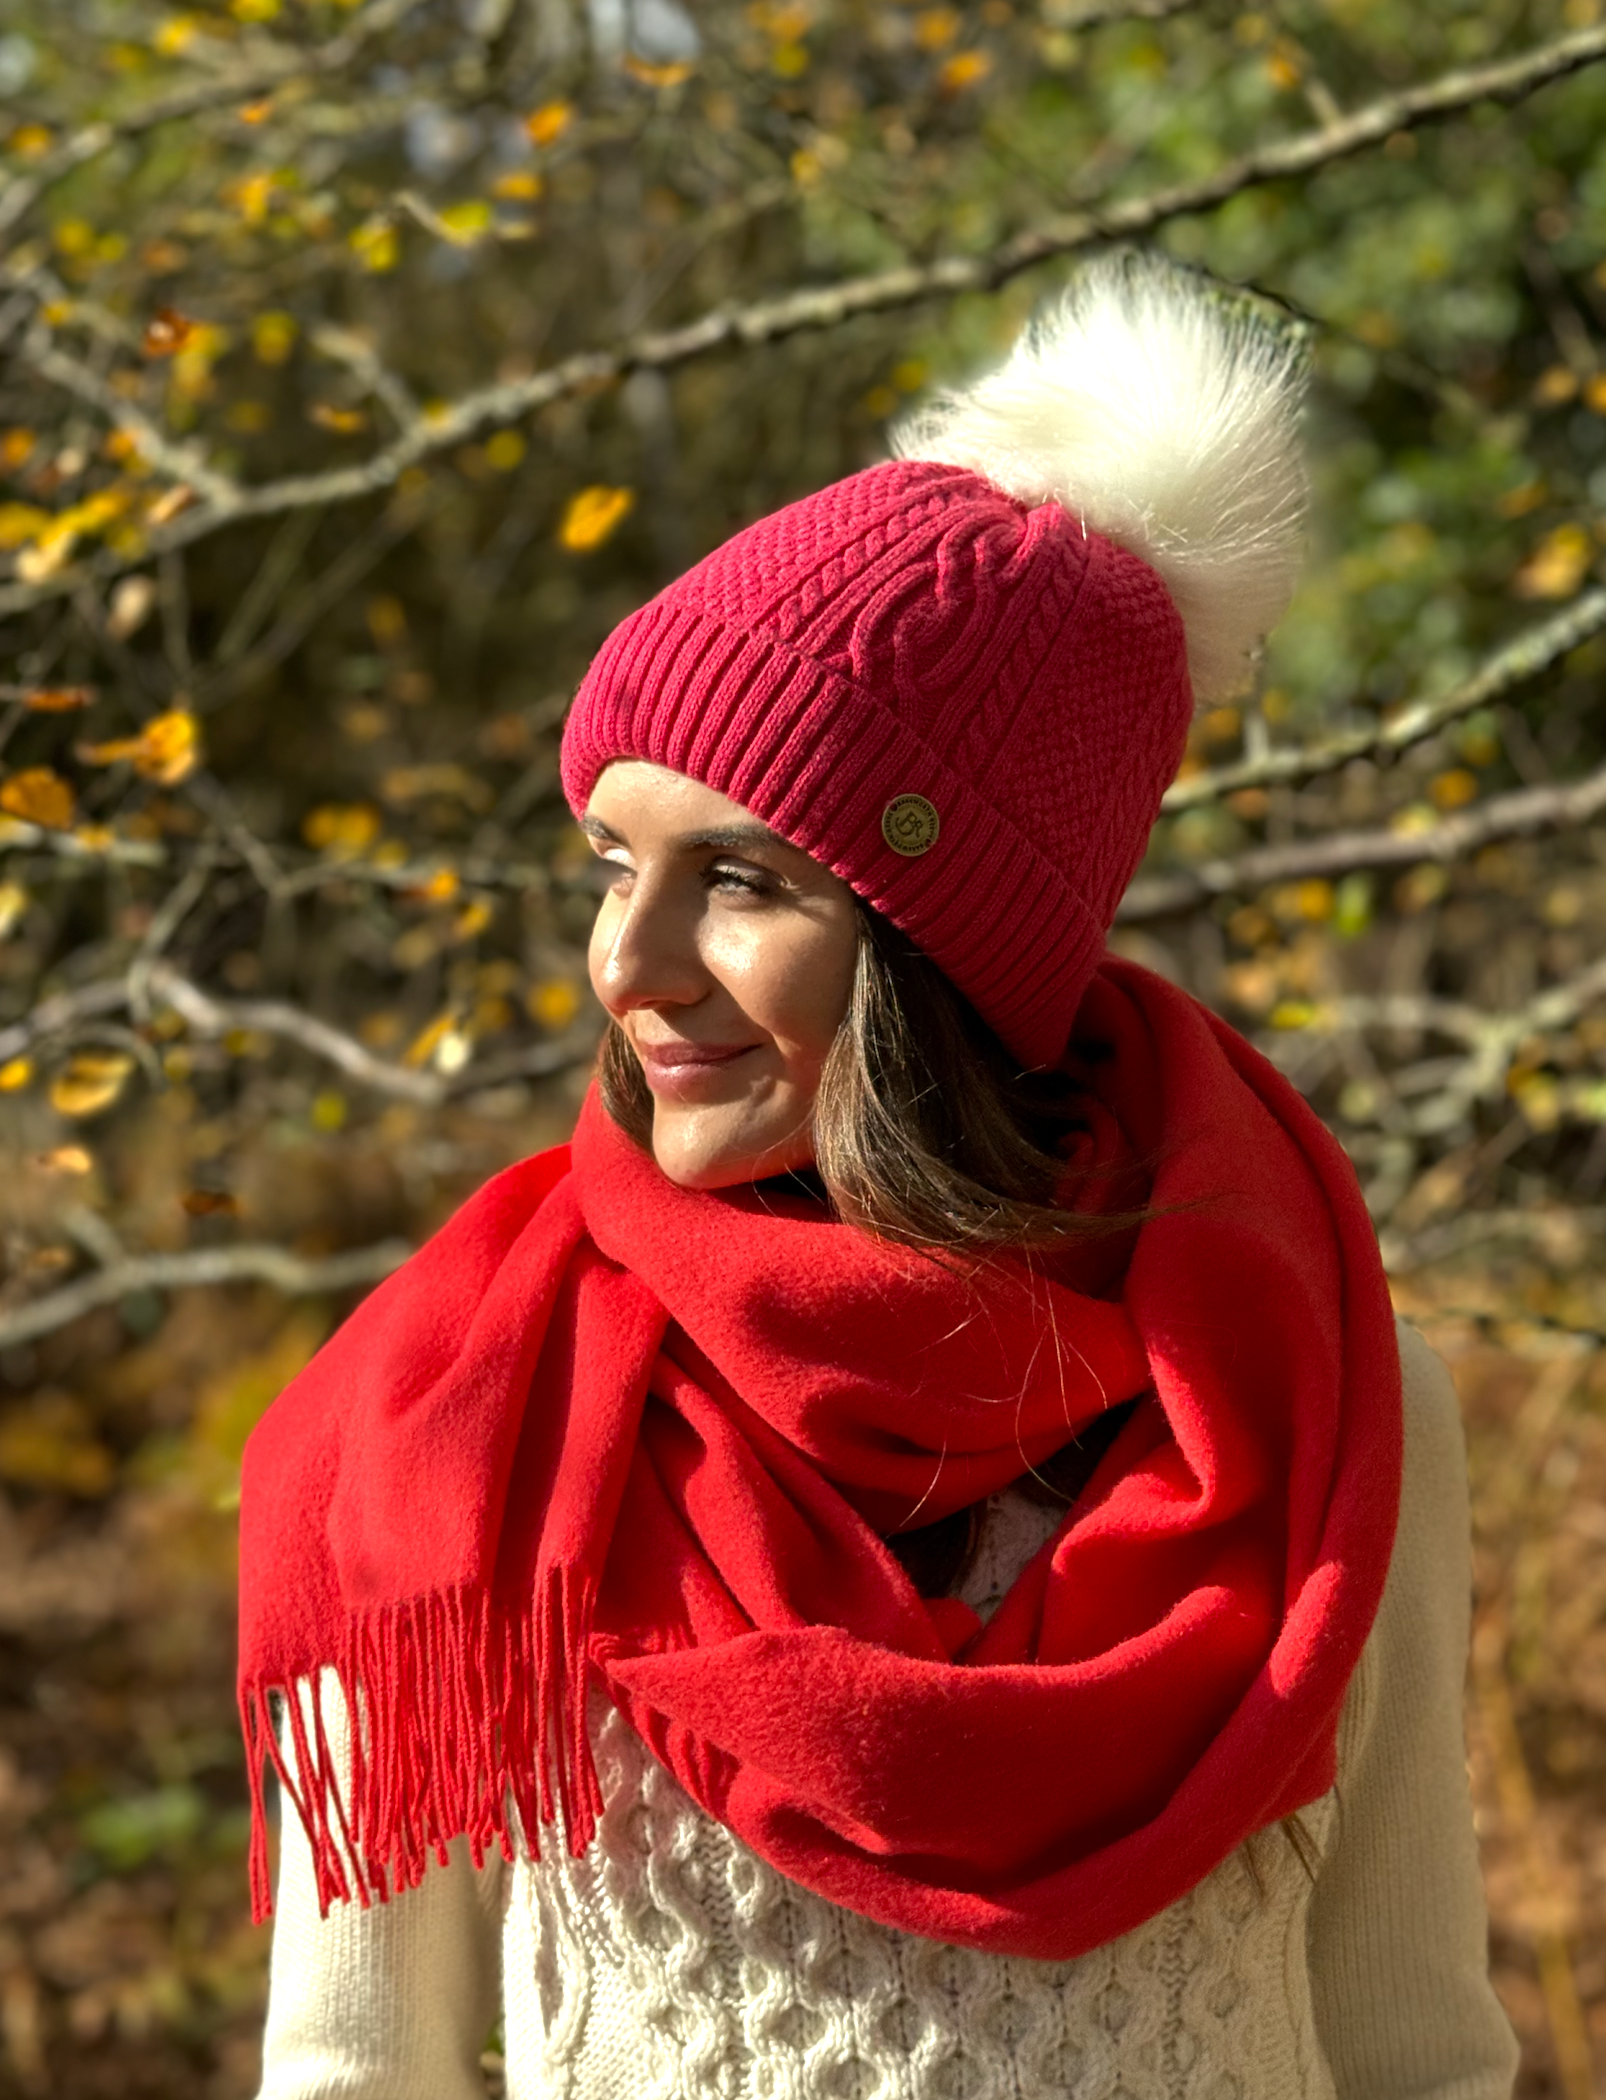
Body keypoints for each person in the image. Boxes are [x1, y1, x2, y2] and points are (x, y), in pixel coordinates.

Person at [241, 255, 1519, 2100]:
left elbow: (1415, 2057)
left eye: (742, 881)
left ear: (948, 954)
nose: (631, 961)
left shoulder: (1321, 1406)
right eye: (613, 862)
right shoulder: (465, 1417)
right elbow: (357, 2076)